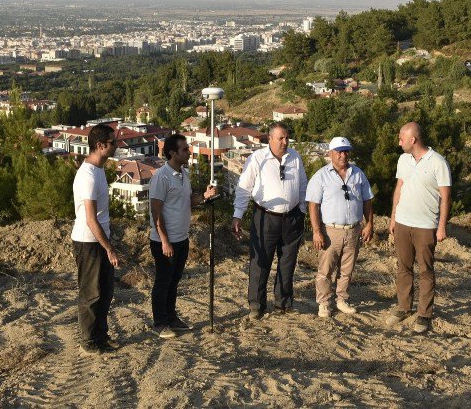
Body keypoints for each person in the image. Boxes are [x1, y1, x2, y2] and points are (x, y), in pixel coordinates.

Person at [232, 122, 308, 318]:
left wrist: (301, 210)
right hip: (265, 217)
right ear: (270, 139)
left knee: (288, 262)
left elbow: (302, 185)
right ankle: (257, 306)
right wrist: (237, 215)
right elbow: (244, 188)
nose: (285, 141)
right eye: (281, 138)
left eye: (287, 137)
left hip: (291, 218)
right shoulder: (257, 159)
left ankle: (283, 303)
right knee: (260, 262)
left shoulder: (295, 157)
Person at [149, 134, 217, 339]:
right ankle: (160, 322)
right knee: (163, 281)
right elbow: (156, 211)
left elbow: (188, 200)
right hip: (165, 241)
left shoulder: (183, 174)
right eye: (184, 149)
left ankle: (171, 317)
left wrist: (204, 197)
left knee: (174, 280)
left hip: (182, 238)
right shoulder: (161, 177)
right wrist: (165, 240)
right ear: (172, 153)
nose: (188, 152)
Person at [386, 122, 452, 334]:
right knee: (403, 268)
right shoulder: (403, 160)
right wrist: (393, 217)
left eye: (401, 138)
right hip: (403, 223)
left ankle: (424, 314)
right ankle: (404, 307)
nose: (399, 142)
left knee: (425, 270)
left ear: (413, 140)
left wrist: (441, 227)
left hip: (425, 226)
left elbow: (446, 197)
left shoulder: (438, 162)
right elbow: (399, 188)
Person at [306, 137, 374, 318]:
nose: (343, 155)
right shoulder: (321, 176)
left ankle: (342, 299)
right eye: (339, 152)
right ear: (330, 154)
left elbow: (367, 201)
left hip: (353, 229)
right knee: (325, 270)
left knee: (347, 270)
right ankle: (323, 303)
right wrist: (316, 231)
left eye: (346, 151)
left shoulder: (358, 173)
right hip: (330, 231)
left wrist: (369, 224)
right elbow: (313, 205)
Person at [71, 123, 121, 355]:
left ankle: (101, 336)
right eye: (113, 142)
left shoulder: (99, 170)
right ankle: (88, 340)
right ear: (100, 146)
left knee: (106, 291)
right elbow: (91, 219)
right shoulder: (88, 175)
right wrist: (109, 248)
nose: (116, 145)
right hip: (88, 242)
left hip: (99, 239)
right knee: (91, 293)